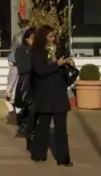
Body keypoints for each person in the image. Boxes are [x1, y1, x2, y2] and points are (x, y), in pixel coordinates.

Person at [28, 25, 72, 166]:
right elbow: (40, 71)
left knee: (61, 130)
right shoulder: (37, 52)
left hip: (59, 93)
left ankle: (63, 159)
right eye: (50, 36)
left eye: (54, 36)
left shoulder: (58, 50)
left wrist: (66, 64)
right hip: (45, 94)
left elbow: (62, 68)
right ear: (43, 38)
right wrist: (56, 65)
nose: (53, 39)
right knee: (43, 127)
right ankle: (38, 154)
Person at [12, 28, 35, 138]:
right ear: (26, 39)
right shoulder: (21, 50)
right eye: (32, 38)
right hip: (26, 82)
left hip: (36, 81)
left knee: (32, 106)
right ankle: (24, 128)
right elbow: (23, 67)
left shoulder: (38, 50)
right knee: (27, 105)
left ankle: (30, 128)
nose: (34, 41)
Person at [5, 19, 30, 119]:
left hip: (17, 64)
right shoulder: (30, 36)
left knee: (14, 88)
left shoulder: (17, 36)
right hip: (26, 66)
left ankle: (15, 115)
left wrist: (11, 60)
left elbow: (13, 50)